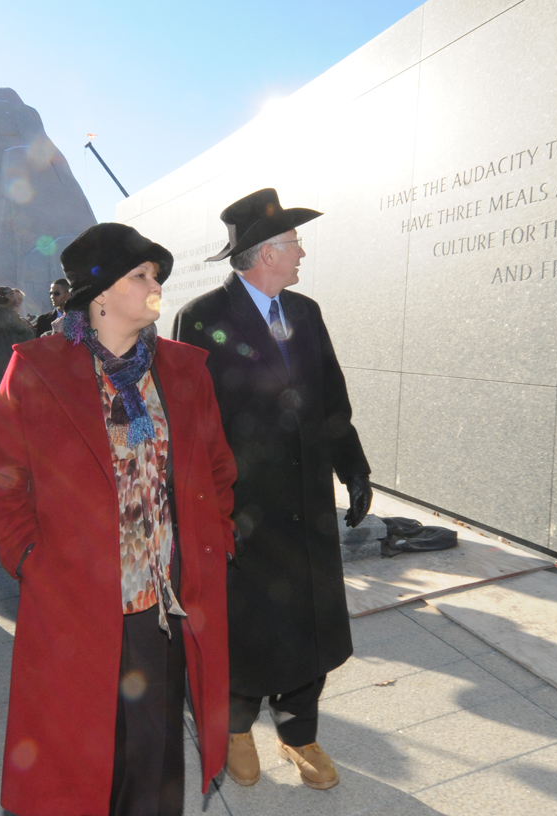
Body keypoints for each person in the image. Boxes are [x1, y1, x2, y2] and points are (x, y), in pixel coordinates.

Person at [0, 223, 236, 816]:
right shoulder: (38, 368)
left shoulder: (184, 368)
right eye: (140, 276)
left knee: (157, 742)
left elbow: (218, 465)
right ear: (98, 294)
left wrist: (215, 536)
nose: (155, 286)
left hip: (164, 595)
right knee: (85, 743)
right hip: (75, 595)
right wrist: (30, 561)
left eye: (156, 276)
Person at [175, 188, 372, 791]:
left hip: (308, 502)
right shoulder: (202, 317)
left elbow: (331, 395)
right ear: (262, 253)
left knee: (309, 618)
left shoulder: (306, 312)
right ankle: (236, 727)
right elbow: (190, 421)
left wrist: (353, 466)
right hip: (245, 507)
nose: (302, 252)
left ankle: (299, 733)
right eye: (292, 243)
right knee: (250, 619)